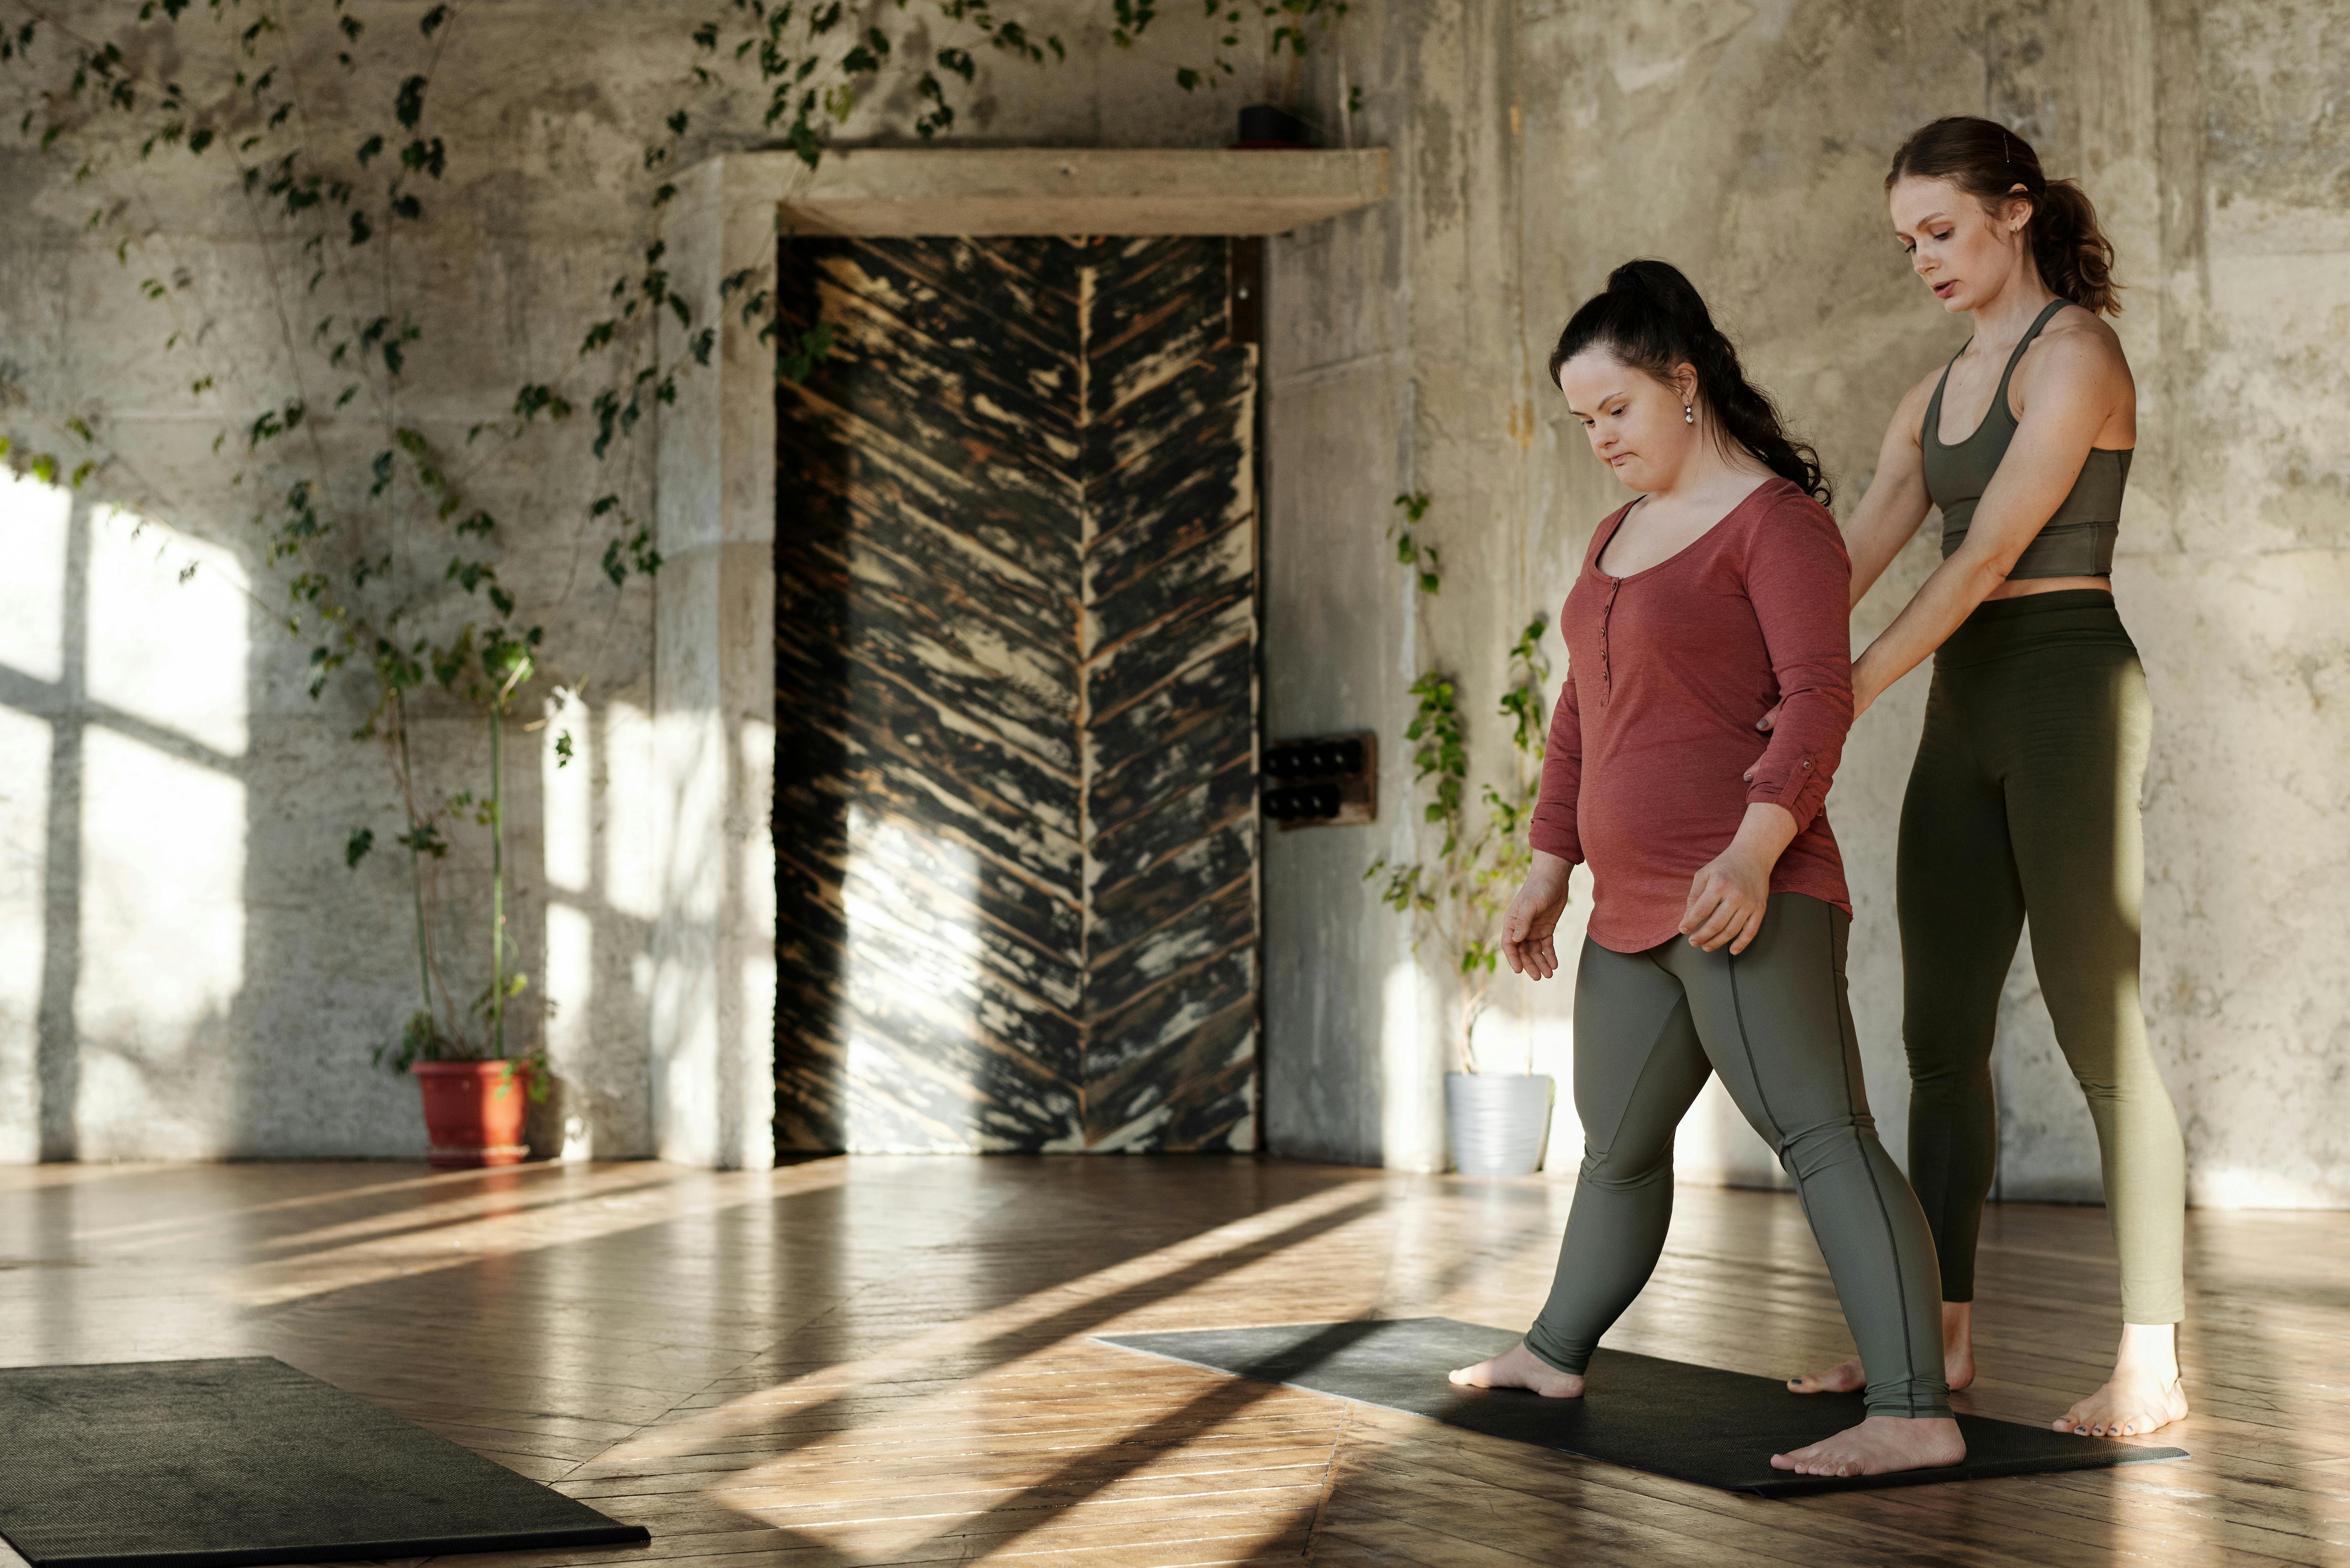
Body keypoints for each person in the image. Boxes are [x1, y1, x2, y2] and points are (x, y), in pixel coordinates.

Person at [1449, 259, 1963, 1479]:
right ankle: (1555, 1347)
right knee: (1617, 1147)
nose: (1601, 441)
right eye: (1583, 422)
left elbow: (1818, 698)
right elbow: (1584, 706)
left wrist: (1755, 844)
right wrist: (1546, 863)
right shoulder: (1616, 533)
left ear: (1685, 385)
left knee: (1823, 1134)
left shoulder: (1777, 524)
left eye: (1615, 410)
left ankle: (1913, 1408)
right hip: (1629, 907)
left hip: (1750, 895)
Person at [1782, 117, 2188, 1439]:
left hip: (2068, 690)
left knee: (2100, 1035)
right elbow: (1846, 561)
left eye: (1941, 231)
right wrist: (1762, 666)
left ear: (2014, 211)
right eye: (1906, 242)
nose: (1924, 260)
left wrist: (1833, 700)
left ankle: (2154, 1360)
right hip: (1967, 708)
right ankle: (1936, 1337)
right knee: (1938, 1041)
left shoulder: (2076, 355)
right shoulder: (1936, 388)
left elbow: (1979, 564)